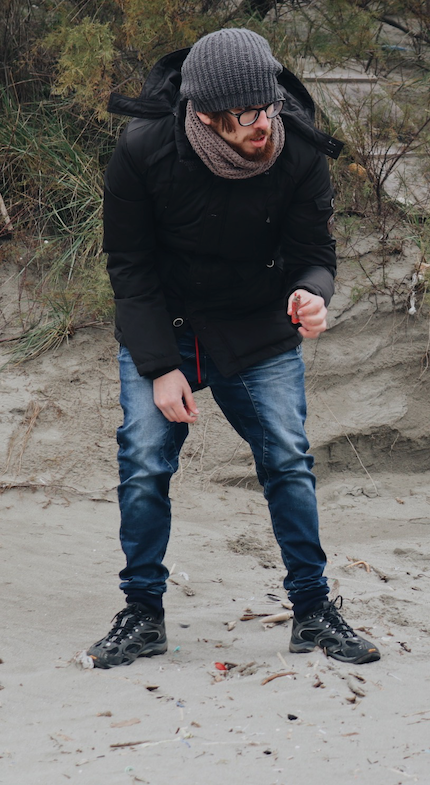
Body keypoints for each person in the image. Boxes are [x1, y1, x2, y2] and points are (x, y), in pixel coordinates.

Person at [88, 28, 379, 668]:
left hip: (255, 326)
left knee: (288, 458)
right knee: (142, 460)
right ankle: (142, 614)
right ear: (207, 115)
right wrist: (161, 368)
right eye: (245, 116)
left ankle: (312, 611)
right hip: (168, 324)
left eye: (268, 108)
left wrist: (312, 293)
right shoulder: (142, 150)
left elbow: (315, 254)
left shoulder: (297, 150)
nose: (262, 125)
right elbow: (129, 269)